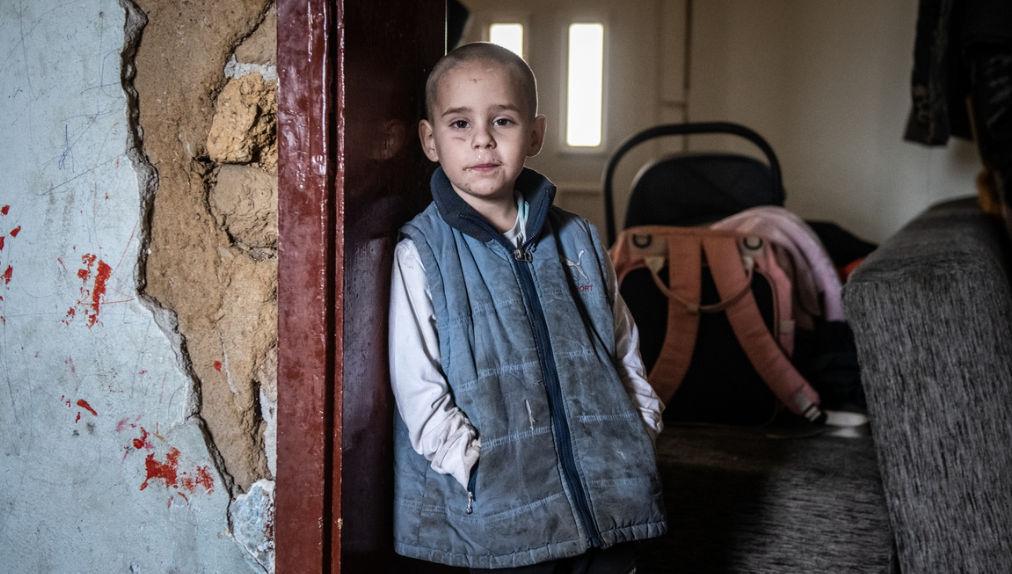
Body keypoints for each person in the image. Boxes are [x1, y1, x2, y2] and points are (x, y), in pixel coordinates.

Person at [388, 42, 666, 573]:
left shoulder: (579, 238)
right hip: (501, 511)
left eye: (503, 121)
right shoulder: (422, 252)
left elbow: (622, 343)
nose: (483, 139)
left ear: (535, 134)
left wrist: (639, 428)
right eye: (460, 124)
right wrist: (470, 464)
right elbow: (417, 385)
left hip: (607, 491)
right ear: (430, 140)